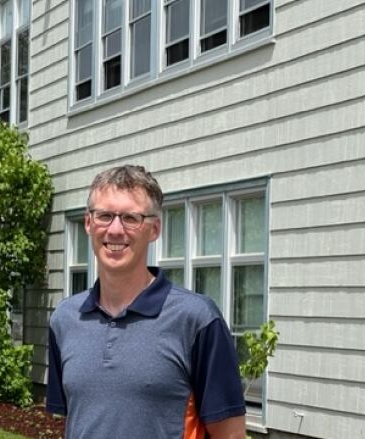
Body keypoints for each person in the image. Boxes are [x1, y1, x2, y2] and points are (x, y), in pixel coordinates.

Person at [46, 165, 247, 439]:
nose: (115, 230)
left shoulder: (197, 319)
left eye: (131, 218)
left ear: (154, 229)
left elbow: (231, 435)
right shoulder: (65, 319)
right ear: (88, 223)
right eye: (104, 216)